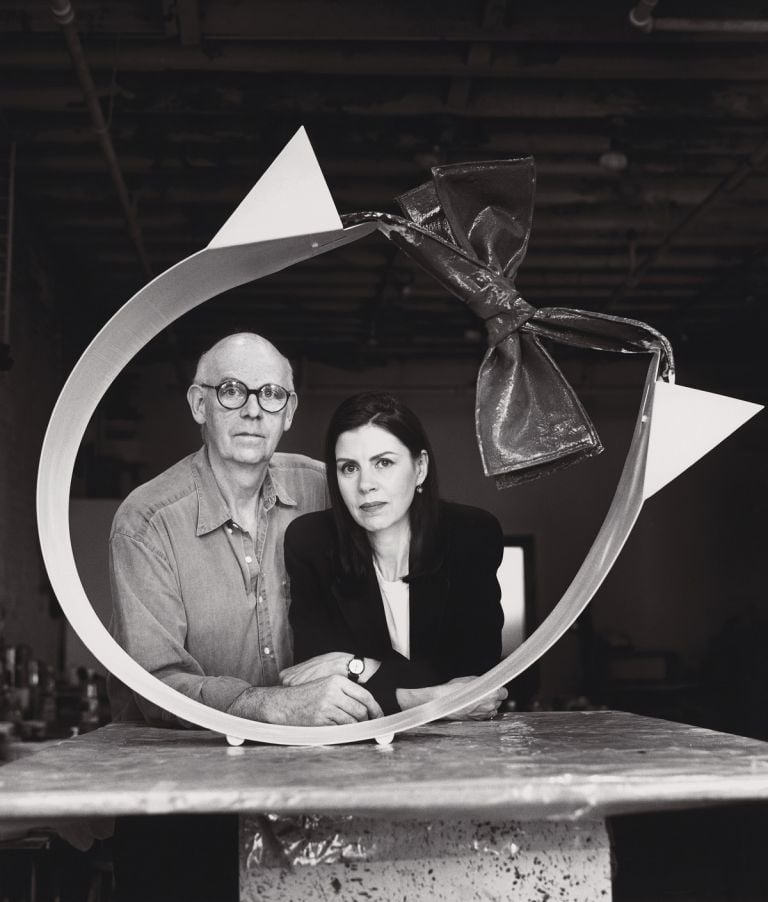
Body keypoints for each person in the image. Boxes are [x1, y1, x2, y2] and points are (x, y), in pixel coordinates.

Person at [108, 332, 382, 727]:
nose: (254, 411)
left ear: (288, 413)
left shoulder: (327, 490)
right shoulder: (147, 521)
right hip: (183, 762)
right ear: (200, 404)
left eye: (271, 394)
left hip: (316, 756)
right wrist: (269, 706)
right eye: (232, 390)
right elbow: (155, 686)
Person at [282, 391, 508, 719]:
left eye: (383, 463)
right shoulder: (311, 543)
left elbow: (476, 680)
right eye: (348, 468)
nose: (365, 485)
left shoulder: (470, 534)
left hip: (461, 751)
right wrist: (431, 699)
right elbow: (323, 693)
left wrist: (352, 666)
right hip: (355, 756)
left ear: (420, 469)